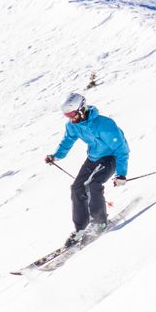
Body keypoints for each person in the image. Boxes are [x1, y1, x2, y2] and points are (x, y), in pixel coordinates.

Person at [45, 92, 129, 244]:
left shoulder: (104, 125)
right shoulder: (73, 125)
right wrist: (56, 156)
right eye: (67, 115)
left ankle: (100, 222)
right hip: (94, 157)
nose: (70, 118)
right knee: (76, 188)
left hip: (111, 157)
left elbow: (121, 150)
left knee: (94, 184)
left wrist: (121, 174)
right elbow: (68, 140)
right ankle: (81, 229)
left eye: (72, 114)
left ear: (81, 109)